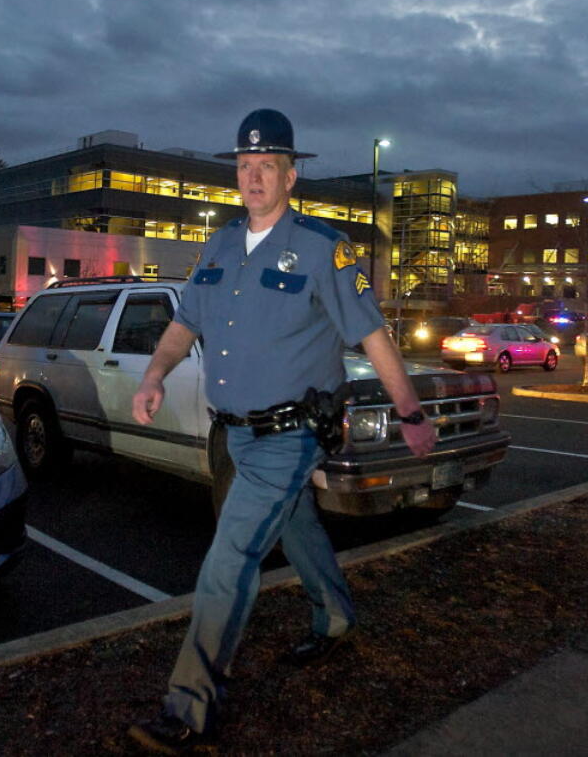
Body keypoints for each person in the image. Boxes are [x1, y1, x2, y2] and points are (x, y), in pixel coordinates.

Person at [126, 108, 436, 753]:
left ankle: (190, 705)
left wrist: (410, 412)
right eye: (245, 166)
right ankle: (337, 616)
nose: (255, 177)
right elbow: (185, 325)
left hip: (291, 433)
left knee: (228, 558)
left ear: (291, 175)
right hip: (235, 432)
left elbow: (372, 334)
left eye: (268, 166)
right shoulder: (215, 247)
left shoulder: (324, 248)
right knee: (295, 523)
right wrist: (155, 374)